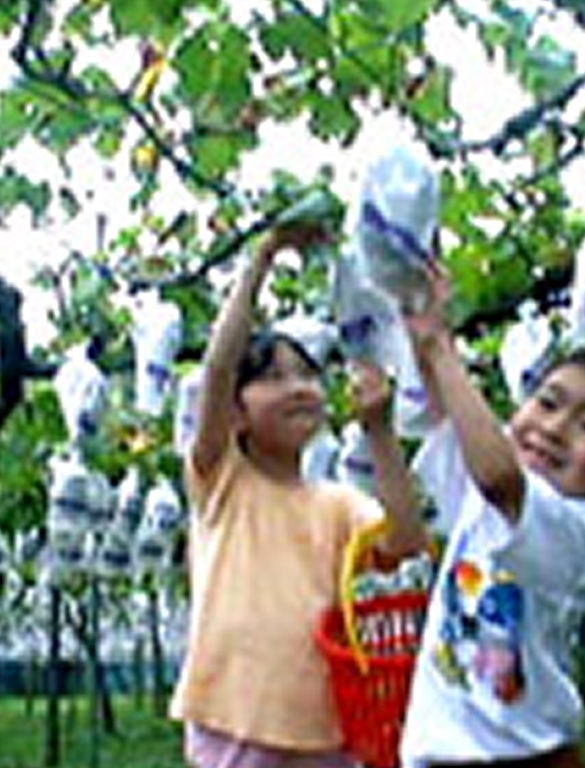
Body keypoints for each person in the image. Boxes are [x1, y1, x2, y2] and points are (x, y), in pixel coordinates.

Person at [170, 222, 429, 768]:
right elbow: (218, 369)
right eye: (274, 378)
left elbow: (406, 540)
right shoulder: (221, 478)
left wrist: (380, 430)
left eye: (308, 377)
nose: (298, 389)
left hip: (328, 721)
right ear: (236, 409)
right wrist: (262, 258)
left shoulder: (334, 502)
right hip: (232, 716)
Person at [397, 269, 585, 768]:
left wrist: (440, 347)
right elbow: (442, 417)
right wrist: (415, 286)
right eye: (546, 402)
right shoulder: (493, 489)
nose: (552, 428)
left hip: (523, 756)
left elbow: (500, 477)